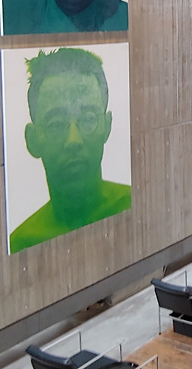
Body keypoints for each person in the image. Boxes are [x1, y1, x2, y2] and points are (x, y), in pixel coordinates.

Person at [9, 48, 131, 252]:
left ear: (107, 126)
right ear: (32, 140)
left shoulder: (134, 206)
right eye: (56, 124)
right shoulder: (21, 244)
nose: (74, 140)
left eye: (89, 118)